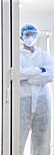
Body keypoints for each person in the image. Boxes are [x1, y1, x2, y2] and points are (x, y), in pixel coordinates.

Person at [19, 24, 54, 155]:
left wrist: (29, 78)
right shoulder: (16, 56)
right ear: (21, 37)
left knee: (42, 140)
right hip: (23, 102)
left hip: (42, 102)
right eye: (27, 35)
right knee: (18, 139)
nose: (30, 37)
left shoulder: (45, 56)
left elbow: (50, 75)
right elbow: (17, 74)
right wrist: (40, 70)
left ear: (36, 36)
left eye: (32, 34)